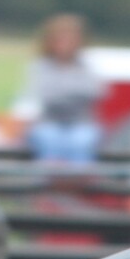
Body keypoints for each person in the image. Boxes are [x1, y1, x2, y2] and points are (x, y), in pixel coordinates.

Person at [18, 13, 104, 164]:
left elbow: (96, 92)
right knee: (49, 138)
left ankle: (78, 177)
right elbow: (42, 95)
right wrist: (74, 94)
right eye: (61, 39)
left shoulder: (87, 66)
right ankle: (51, 176)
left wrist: (61, 94)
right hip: (48, 123)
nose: (66, 44)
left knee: (82, 141)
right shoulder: (40, 67)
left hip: (81, 123)